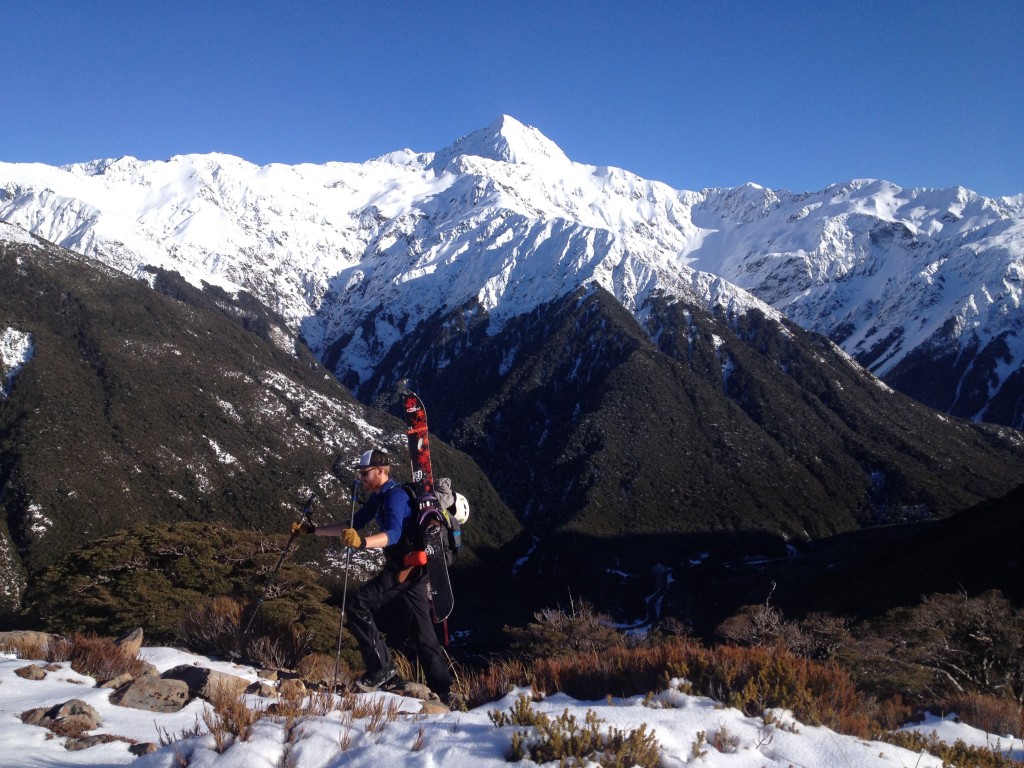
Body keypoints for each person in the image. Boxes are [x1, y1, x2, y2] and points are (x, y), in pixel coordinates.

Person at [293, 448, 453, 698]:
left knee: (358, 605)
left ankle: (382, 668)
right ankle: (443, 688)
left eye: (365, 472)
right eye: (360, 472)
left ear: (381, 471)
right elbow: (351, 525)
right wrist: (312, 531)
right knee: (422, 630)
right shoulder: (380, 497)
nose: (362, 477)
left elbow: (394, 534)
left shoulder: (394, 497)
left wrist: (362, 543)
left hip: (405, 568)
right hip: (414, 569)